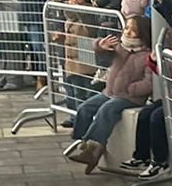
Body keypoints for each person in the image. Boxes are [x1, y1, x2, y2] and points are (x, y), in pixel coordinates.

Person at [63, 13, 154, 173]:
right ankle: (83, 143)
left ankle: (93, 149)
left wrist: (130, 89)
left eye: (133, 30)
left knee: (107, 110)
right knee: (85, 108)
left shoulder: (146, 55)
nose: (128, 32)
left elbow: (149, 82)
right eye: (126, 28)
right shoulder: (120, 47)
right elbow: (103, 58)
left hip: (130, 97)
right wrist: (100, 46)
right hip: (110, 91)